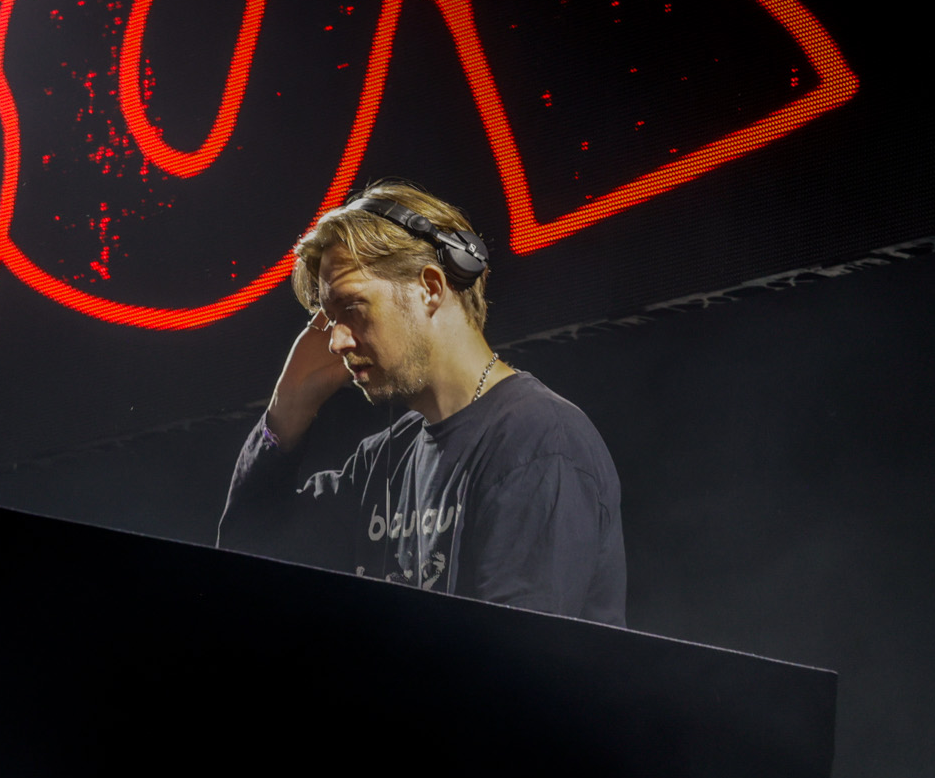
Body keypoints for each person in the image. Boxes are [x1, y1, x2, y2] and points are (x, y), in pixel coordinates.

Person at [216, 181, 627, 626]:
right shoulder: (383, 460)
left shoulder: (540, 442)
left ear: (430, 287)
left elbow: (514, 675)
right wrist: (288, 404)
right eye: (329, 320)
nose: (334, 341)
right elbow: (246, 568)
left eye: (352, 308)